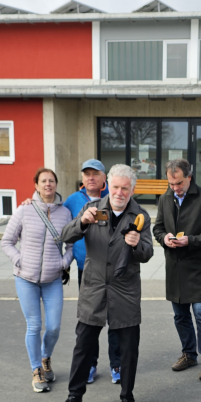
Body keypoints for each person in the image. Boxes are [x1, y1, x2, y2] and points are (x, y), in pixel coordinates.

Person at [54, 164, 154, 402]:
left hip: (125, 290)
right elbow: (65, 235)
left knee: (129, 349)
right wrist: (82, 223)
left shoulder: (140, 215)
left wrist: (136, 245)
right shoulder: (92, 209)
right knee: (83, 346)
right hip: (94, 287)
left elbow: (147, 253)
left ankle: (127, 396)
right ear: (108, 185)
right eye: (116, 187)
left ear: (132, 190)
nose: (119, 192)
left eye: (125, 188)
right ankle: (74, 396)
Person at [2, 168, 74, 392]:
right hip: (26, 278)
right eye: (43, 181)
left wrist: (63, 263)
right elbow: (7, 241)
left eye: (51, 180)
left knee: (53, 327)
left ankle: (45, 358)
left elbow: (71, 245)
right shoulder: (24, 210)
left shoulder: (65, 213)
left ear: (56, 184)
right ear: (36, 185)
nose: (48, 184)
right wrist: (19, 261)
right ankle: (36, 370)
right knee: (34, 325)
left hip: (52, 279)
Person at [153, 158, 201, 380]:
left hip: (197, 266)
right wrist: (164, 238)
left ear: (189, 178)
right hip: (174, 267)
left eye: (179, 183)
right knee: (180, 316)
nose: (174, 188)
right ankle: (189, 354)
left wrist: (190, 240)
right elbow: (157, 228)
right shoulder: (165, 198)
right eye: (171, 183)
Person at [64, 159, 122, 386]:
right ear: (82, 177)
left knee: (114, 319)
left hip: (113, 270)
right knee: (91, 320)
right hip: (86, 271)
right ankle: (91, 364)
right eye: (87, 174)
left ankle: (117, 364)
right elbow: (57, 217)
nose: (91, 178)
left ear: (104, 178)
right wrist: (32, 200)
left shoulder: (113, 196)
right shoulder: (73, 201)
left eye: (95, 174)